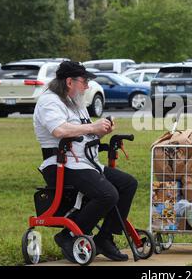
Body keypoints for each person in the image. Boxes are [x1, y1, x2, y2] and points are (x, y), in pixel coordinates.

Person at [33, 61, 138, 261]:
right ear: (69, 82)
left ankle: (104, 238)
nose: (87, 86)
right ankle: (68, 236)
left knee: (128, 184)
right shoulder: (49, 101)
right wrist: (92, 128)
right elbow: (59, 130)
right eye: (84, 81)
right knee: (108, 194)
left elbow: (86, 134)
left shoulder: (75, 102)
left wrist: (101, 130)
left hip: (84, 162)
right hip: (59, 164)